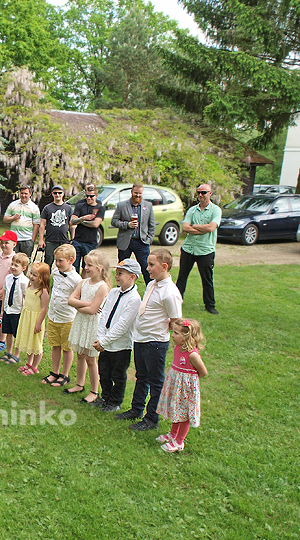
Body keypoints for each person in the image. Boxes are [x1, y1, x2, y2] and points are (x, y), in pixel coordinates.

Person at [116, 248, 183, 431]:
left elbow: (176, 320)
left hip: (155, 342)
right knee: (141, 376)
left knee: (155, 381)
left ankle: (151, 418)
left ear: (164, 266)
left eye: (151, 265)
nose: (147, 268)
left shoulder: (169, 292)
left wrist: (164, 329)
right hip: (141, 338)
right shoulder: (154, 283)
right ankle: (136, 409)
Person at [92, 259, 142, 413]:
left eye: (121, 273)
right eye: (117, 272)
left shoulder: (134, 299)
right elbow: (104, 314)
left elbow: (123, 325)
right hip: (105, 342)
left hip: (120, 345)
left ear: (132, 276)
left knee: (118, 375)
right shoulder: (114, 292)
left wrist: (105, 341)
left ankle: (115, 401)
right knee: (104, 371)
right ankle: (106, 397)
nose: (117, 276)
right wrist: (101, 337)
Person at [65, 250, 111, 403]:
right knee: (80, 355)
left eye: (90, 265)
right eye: (86, 264)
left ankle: (94, 391)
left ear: (100, 268)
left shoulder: (102, 287)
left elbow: (93, 311)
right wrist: (85, 304)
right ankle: (79, 384)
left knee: (91, 359)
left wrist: (80, 306)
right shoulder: (83, 282)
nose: (86, 268)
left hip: (92, 325)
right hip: (81, 321)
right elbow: (71, 301)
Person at [156, 318, 208, 453]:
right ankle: (173, 434)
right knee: (176, 410)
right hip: (176, 386)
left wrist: (190, 383)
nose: (172, 335)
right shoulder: (178, 348)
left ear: (187, 337)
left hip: (186, 390)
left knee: (184, 414)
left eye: (176, 333)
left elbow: (202, 372)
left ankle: (179, 441)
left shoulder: (193, 355)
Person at [175, 184, 222, 315]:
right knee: (182, 277)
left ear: (210, 193)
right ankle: (176, 301)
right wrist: (202, 228)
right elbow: (185, 227)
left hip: (205, 250)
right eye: (199, 193)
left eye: (204, 192)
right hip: (188, 249)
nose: (201, 195)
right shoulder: (192, 210)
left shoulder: (216, 210)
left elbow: (211, 228)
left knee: (207, 279)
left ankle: (210, 305)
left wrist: (194, 226)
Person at [42, 244, 82, 388]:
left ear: (71, 260)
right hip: (53, 316)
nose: (57, 263)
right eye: (56, 260)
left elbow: (79, 297)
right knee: (55, 345)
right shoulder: (55, 272)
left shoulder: (77, 279)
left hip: (67, 318)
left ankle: (65, 374)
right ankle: (55, 372)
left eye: (60, 261)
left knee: (67, 347)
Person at [111, 183, 156, 285]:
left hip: (142, 242)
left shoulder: (147, 206)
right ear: (131, 192)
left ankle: (151, 291)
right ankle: (120, 290)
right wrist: (127, 225)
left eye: (140, 193)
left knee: (146, 268)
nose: (138, 195)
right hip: (126, 242)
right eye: (136, 193)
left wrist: (149, 239)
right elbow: (114, 221)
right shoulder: (122, 205)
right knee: (122, 268)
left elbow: (152, 224)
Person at [14, 262, 51, 375]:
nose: (31, 277)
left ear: (42, 278)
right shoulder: (29, 286)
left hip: (35, 319)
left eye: (35, 275)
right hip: (27, 318)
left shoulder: (42, 291)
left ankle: (35, 366)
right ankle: (28, 363)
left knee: (36, 343)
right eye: (31, 274)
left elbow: (44, 308)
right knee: (29, 341)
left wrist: (39, 323)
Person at [0, 252, 30, 364]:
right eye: (12, 264)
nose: (12, 267)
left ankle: (16, 355)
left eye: (16, 265)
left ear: (24, 268)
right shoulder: (8, 278)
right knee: (8, 332)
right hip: (8, 310)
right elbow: (5, 294)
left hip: (18, 311)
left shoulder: (24, 281)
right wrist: (2, 309)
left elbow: (26, 298)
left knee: (17, 334)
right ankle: (9, 352)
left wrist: (24, 312)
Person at [70, 184, 105, 273]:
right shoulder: (80, 205)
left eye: (91, 196)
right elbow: (72, 221)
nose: (89, 198)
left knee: (88, 268)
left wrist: (80, 221)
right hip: (77, 240)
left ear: (96, 196)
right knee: (74, 267)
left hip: (90, 242)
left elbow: (95, 224)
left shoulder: (100, 208)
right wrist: (84, 218)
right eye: (87, 196)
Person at [38, 185, 74, 268]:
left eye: (59, 193)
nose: (57, 195)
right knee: (48, 262)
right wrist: (41, 240)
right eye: (55, 193)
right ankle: (46, 279)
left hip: (64, 240)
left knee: (64, 262)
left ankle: (62, 279)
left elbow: (71, 225)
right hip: (50, 240)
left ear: (63, 194)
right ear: (52, 194)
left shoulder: (68, 208)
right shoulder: (47, 208)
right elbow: (42, 225)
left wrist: (72, 239)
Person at [3, 185, 41, 257]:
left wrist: (32, 240)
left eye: (26, 193)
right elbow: (5, 219)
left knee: (25, 262)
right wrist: (13, 218)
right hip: (14, 239)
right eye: (22, 193)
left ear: (30, 194)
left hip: (27, 239)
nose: (23, 195)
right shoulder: (13, 204)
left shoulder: (34, 207)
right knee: (13, 260)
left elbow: (36, 225)